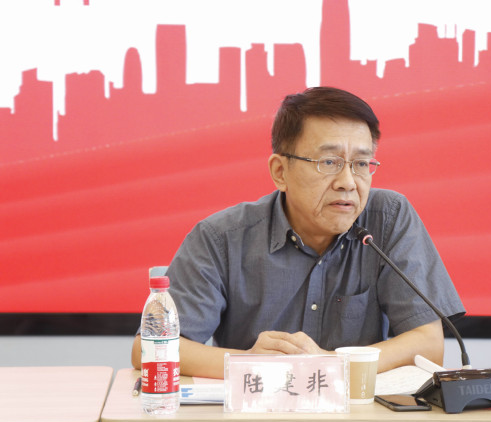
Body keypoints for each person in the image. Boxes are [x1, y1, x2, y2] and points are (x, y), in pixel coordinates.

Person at [131, 86, 465, 379]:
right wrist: (249, 363)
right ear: (280, 171)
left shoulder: (388, 219)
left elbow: (428, 343)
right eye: (329, 162)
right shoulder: (221, 238)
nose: (348, 182)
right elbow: (150, 349)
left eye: (362, 164)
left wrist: (330, 364)